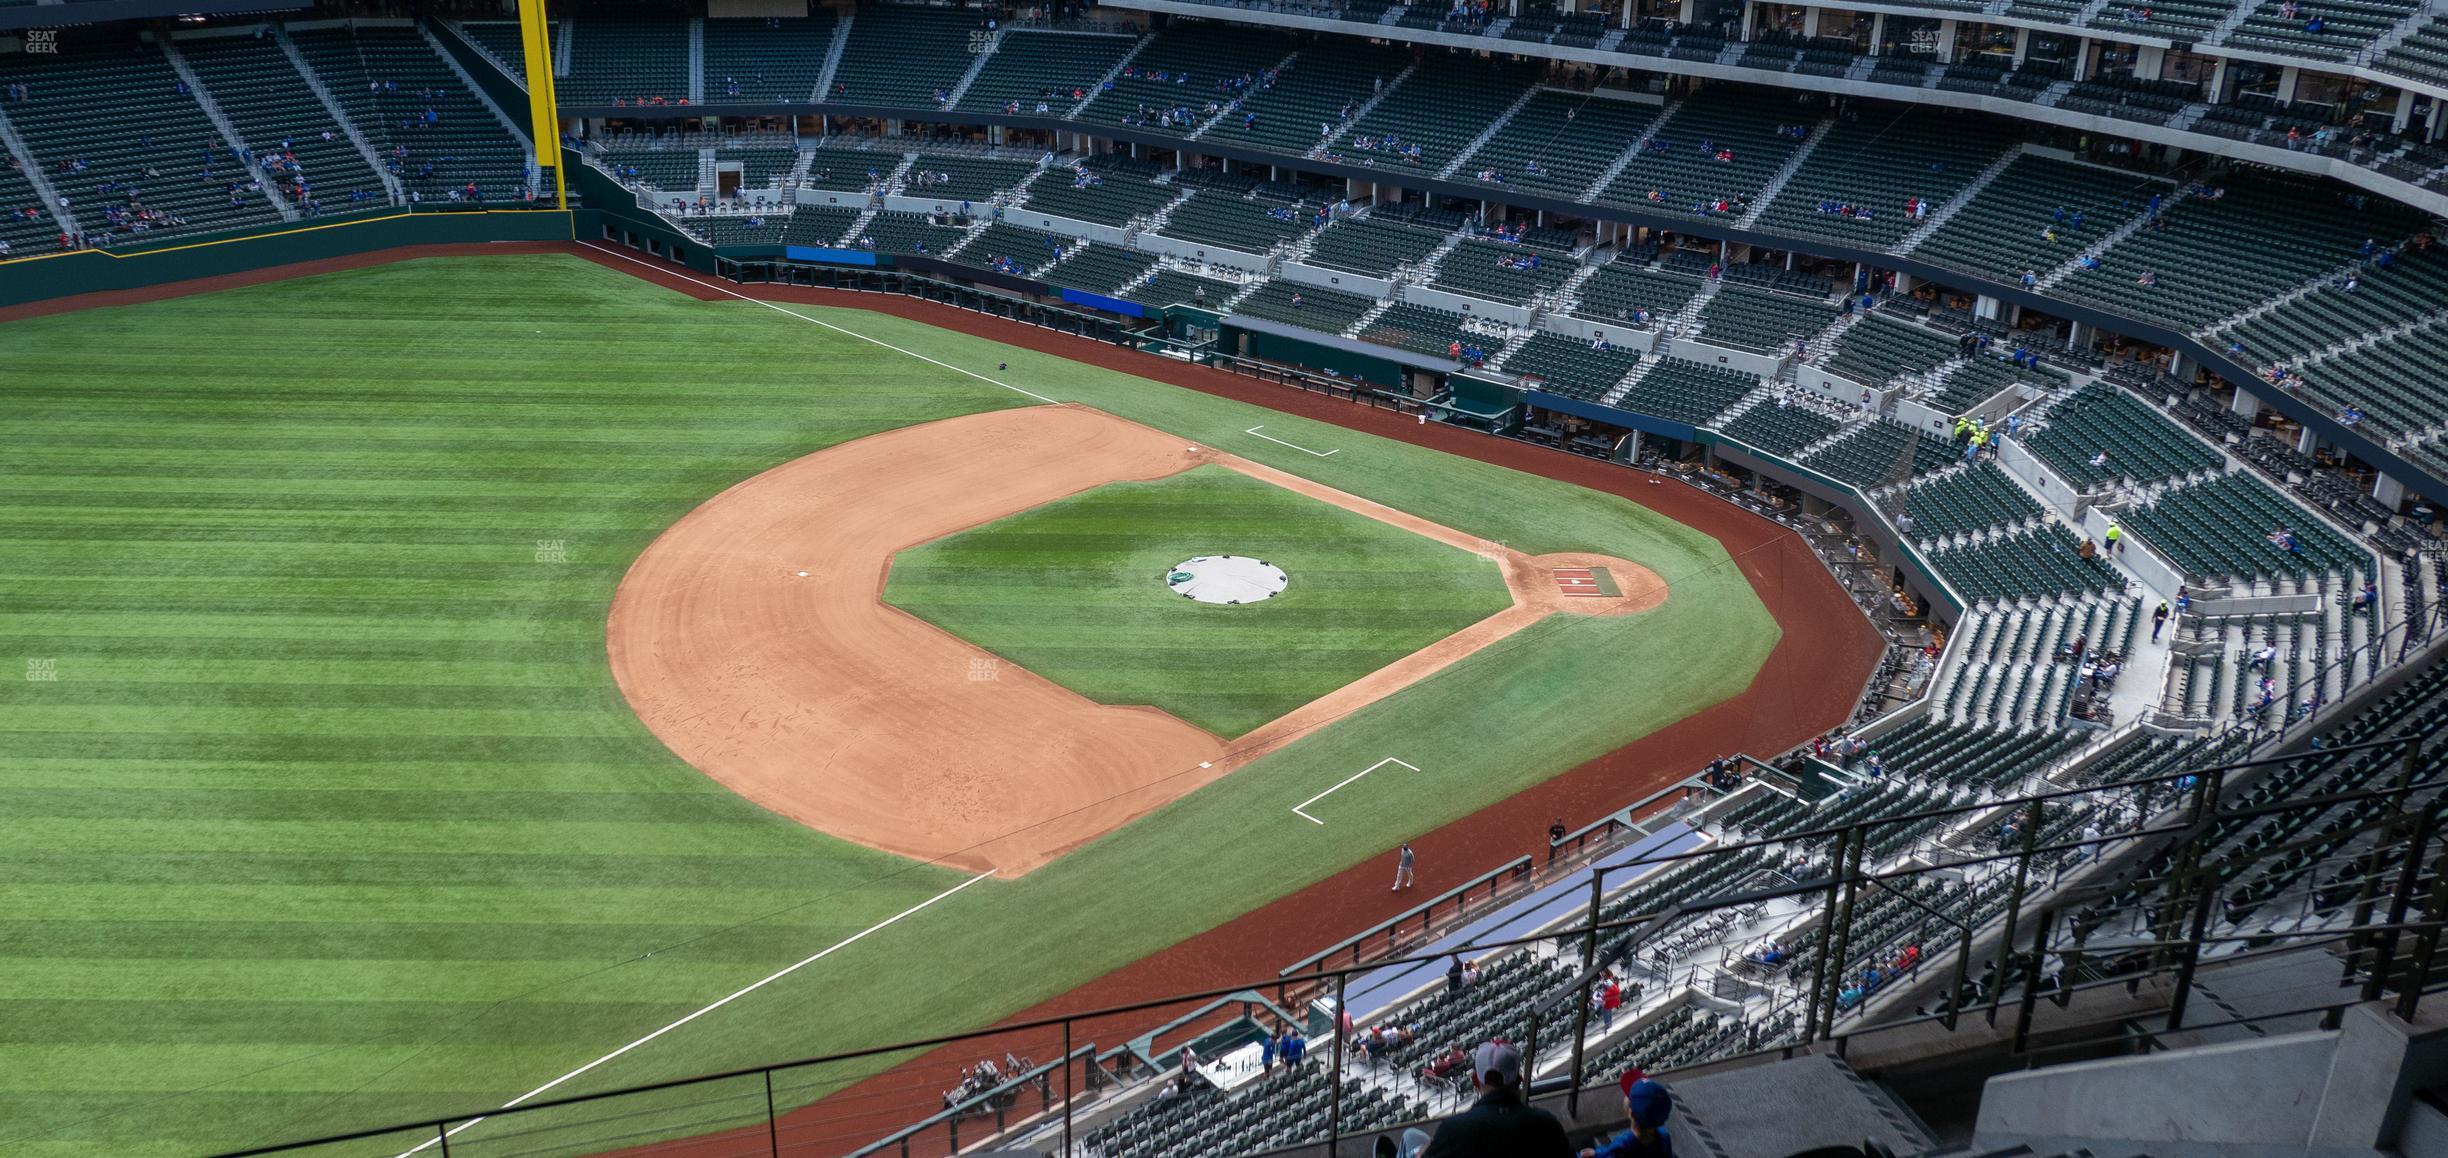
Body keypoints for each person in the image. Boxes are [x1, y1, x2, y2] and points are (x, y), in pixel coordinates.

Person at [1421, 1041, 1573, 1157]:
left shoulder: (1452, 1130)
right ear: (1519, 1081)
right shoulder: (1546, 1124)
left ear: (1475, 1081)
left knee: (1411, 1137)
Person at [1582, 1071, 1674, 1157]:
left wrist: (1596, 1154)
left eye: (1629, 1094)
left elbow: (1608, 1154)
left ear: (1631, 1114)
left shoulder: (1623, 1145)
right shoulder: (1664, 1136)